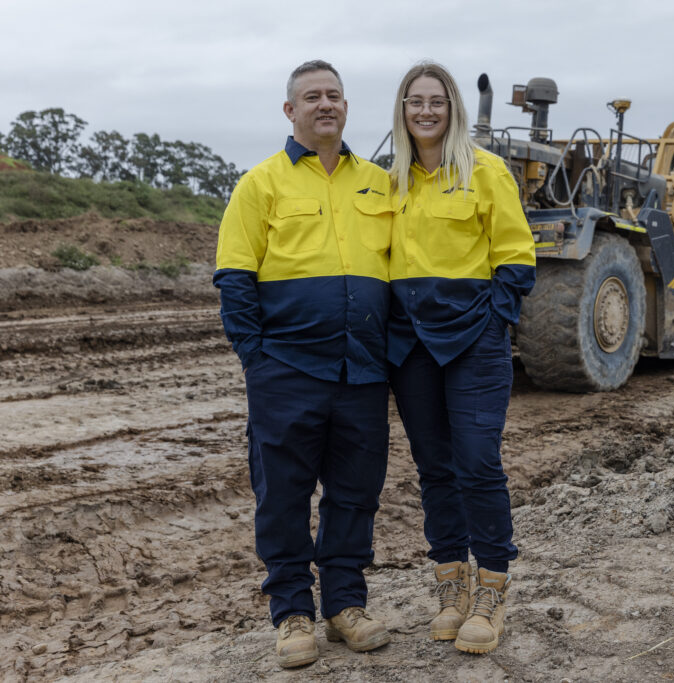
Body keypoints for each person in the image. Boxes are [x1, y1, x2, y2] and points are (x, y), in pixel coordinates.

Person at [213, 59, 393, 668]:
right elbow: (235, 281)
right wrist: (256, 361)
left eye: (334, 96)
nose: (325, 105)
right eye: (311, 97)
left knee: (355, 492)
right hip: (285, 370)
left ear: (346, 108)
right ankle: (291, 612)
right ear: (290, 111)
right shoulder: (259, 185)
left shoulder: (380, 183)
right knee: (282, 495)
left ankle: (345, 605)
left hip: (363, 370)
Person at [387, 61, 536, 654]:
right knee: (434, 469)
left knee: (476, 462)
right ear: (401, 110)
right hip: (410, 343)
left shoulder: (486, 170)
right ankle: (451, 586)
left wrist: (494, 320)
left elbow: (517, 257)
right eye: (414, 101)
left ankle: (493, 589)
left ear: (453, 109)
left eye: (437, 101)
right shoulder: (387, 180)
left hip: (474, 337)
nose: (426, 111)